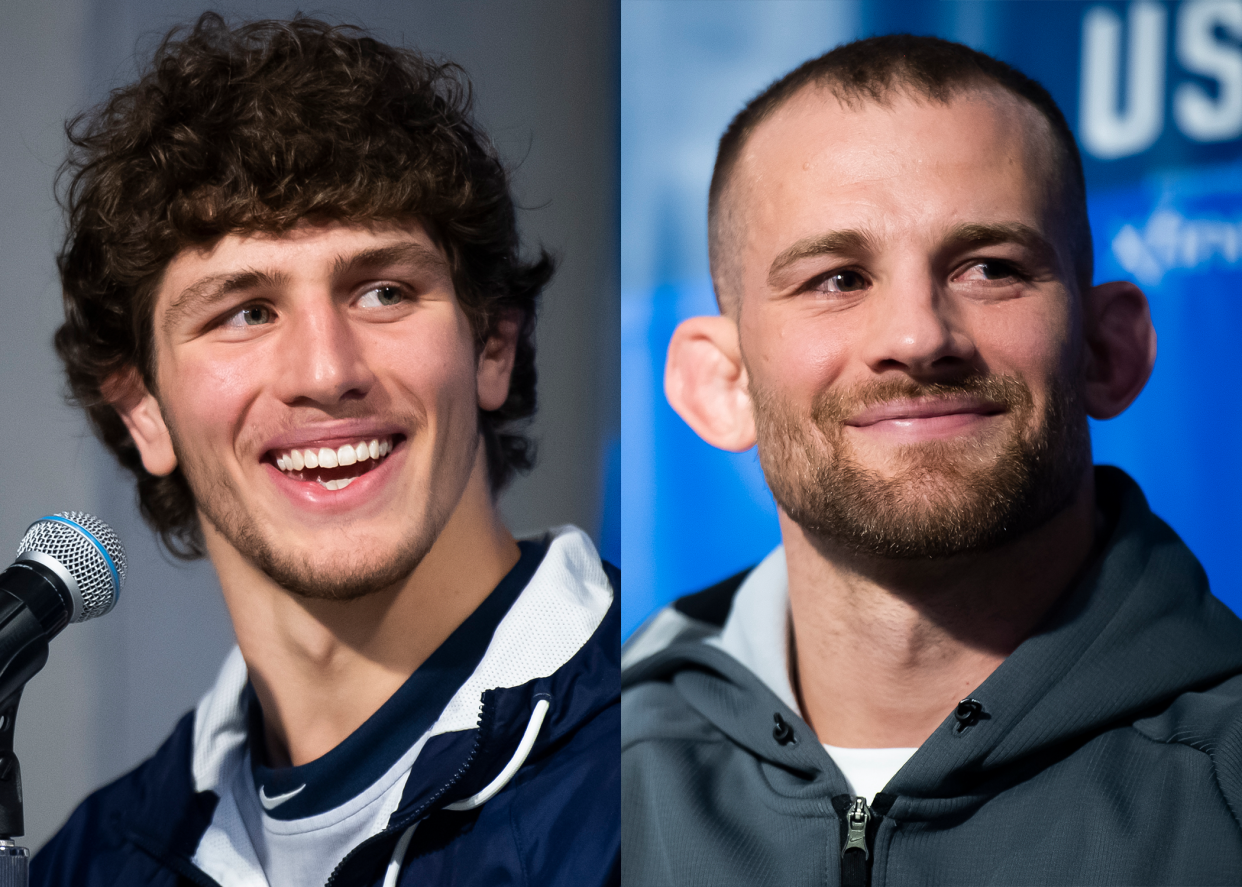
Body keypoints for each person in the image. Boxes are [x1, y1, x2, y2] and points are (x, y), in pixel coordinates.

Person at [621, 33, 1242, 885]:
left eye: (990, 267)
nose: (918, 337)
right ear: (722, 383)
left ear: (1108, 349)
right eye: (837, 279)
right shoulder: (585, 780)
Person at [33, 14, 619, 887]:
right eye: (244, 311)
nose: (325, 369)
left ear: (492, 347)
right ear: (144, 411)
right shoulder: (89, 865)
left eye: (383, 291)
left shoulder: (680, 759)